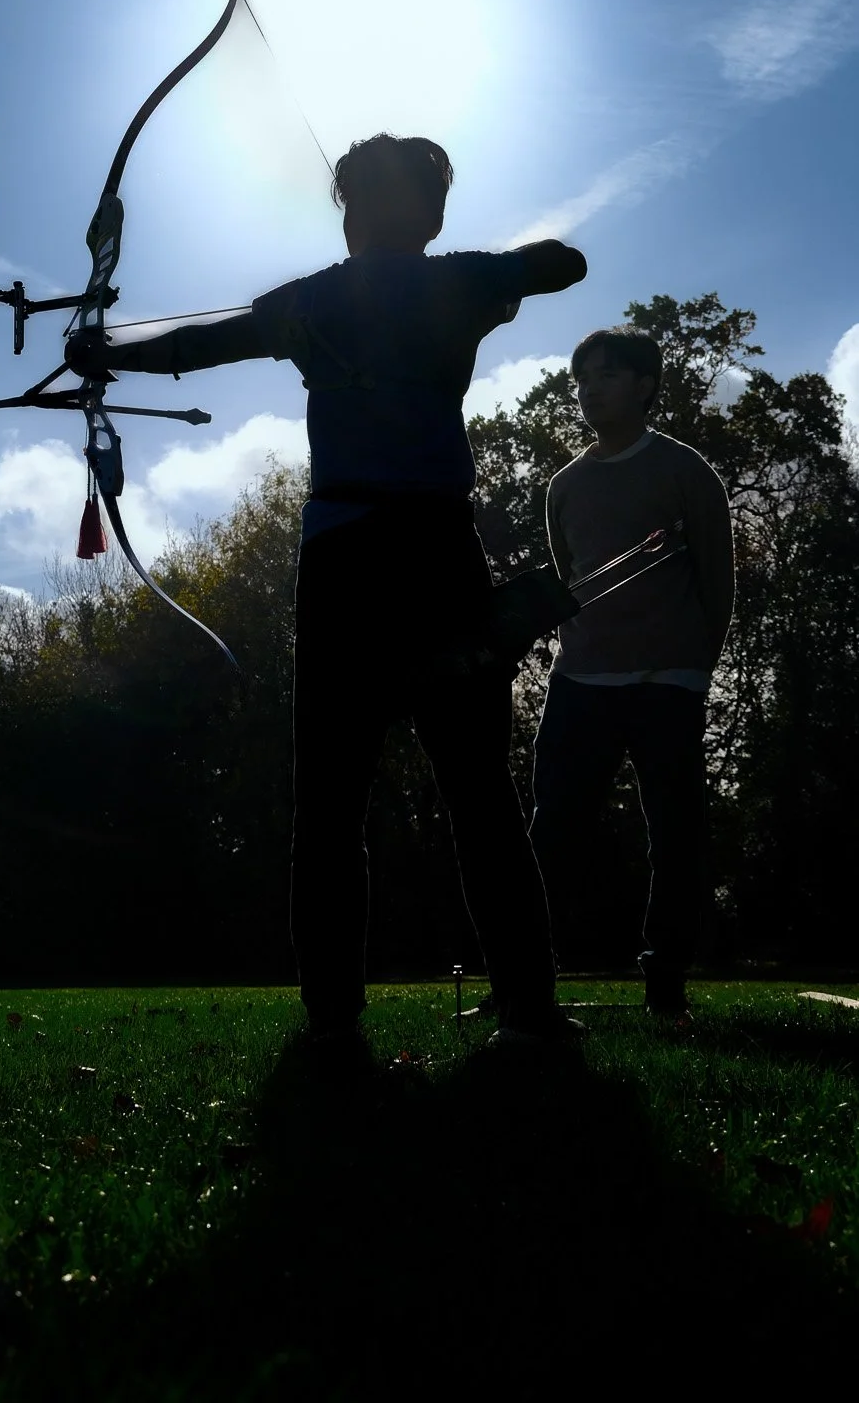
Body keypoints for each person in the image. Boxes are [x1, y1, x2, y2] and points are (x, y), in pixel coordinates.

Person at [66, 133, 588, 1045]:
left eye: (357, 201)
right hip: (433, 552)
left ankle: (337, 1024)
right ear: (424, 216)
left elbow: (199, 341)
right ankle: (526, 1011)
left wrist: (102, 349)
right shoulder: (453, 280)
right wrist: (484, 276)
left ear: (373, 215)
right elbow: (563, 262)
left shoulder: (321, 299)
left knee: (336, 794)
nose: (354, 217)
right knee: (474, 787)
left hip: (353, 554)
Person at [529, 327, 735, 1017]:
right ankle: (526, 979)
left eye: (608, 375)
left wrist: (693, 668)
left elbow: (717, 578)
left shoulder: (684, 470)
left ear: (645, 386)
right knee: (550, 827)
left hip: (665, 681)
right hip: (579, 679)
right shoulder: (565, 485)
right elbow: (567, 578)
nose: (590, 389)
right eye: (583, 377)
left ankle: (665, 981)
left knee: (675, 833)